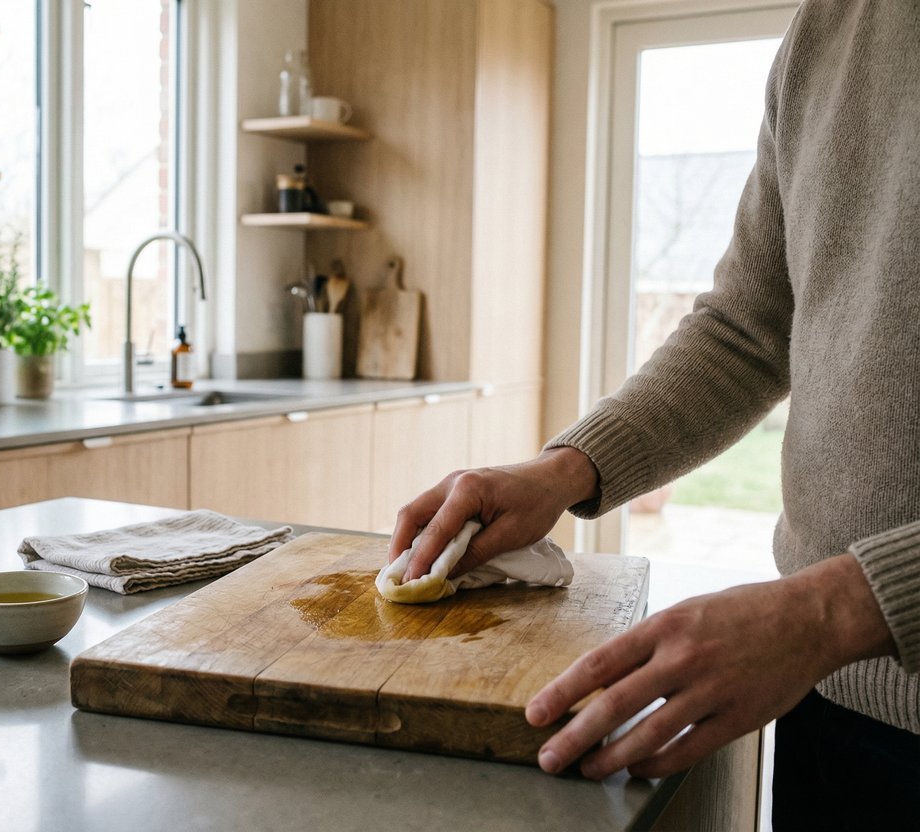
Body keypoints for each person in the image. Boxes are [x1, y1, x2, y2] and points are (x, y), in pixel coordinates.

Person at [388, 1, 919, 826]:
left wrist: (835, 609)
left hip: (825, 640)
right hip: (828, 706)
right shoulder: (829, 26)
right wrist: (563, 470)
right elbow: (747, 327)